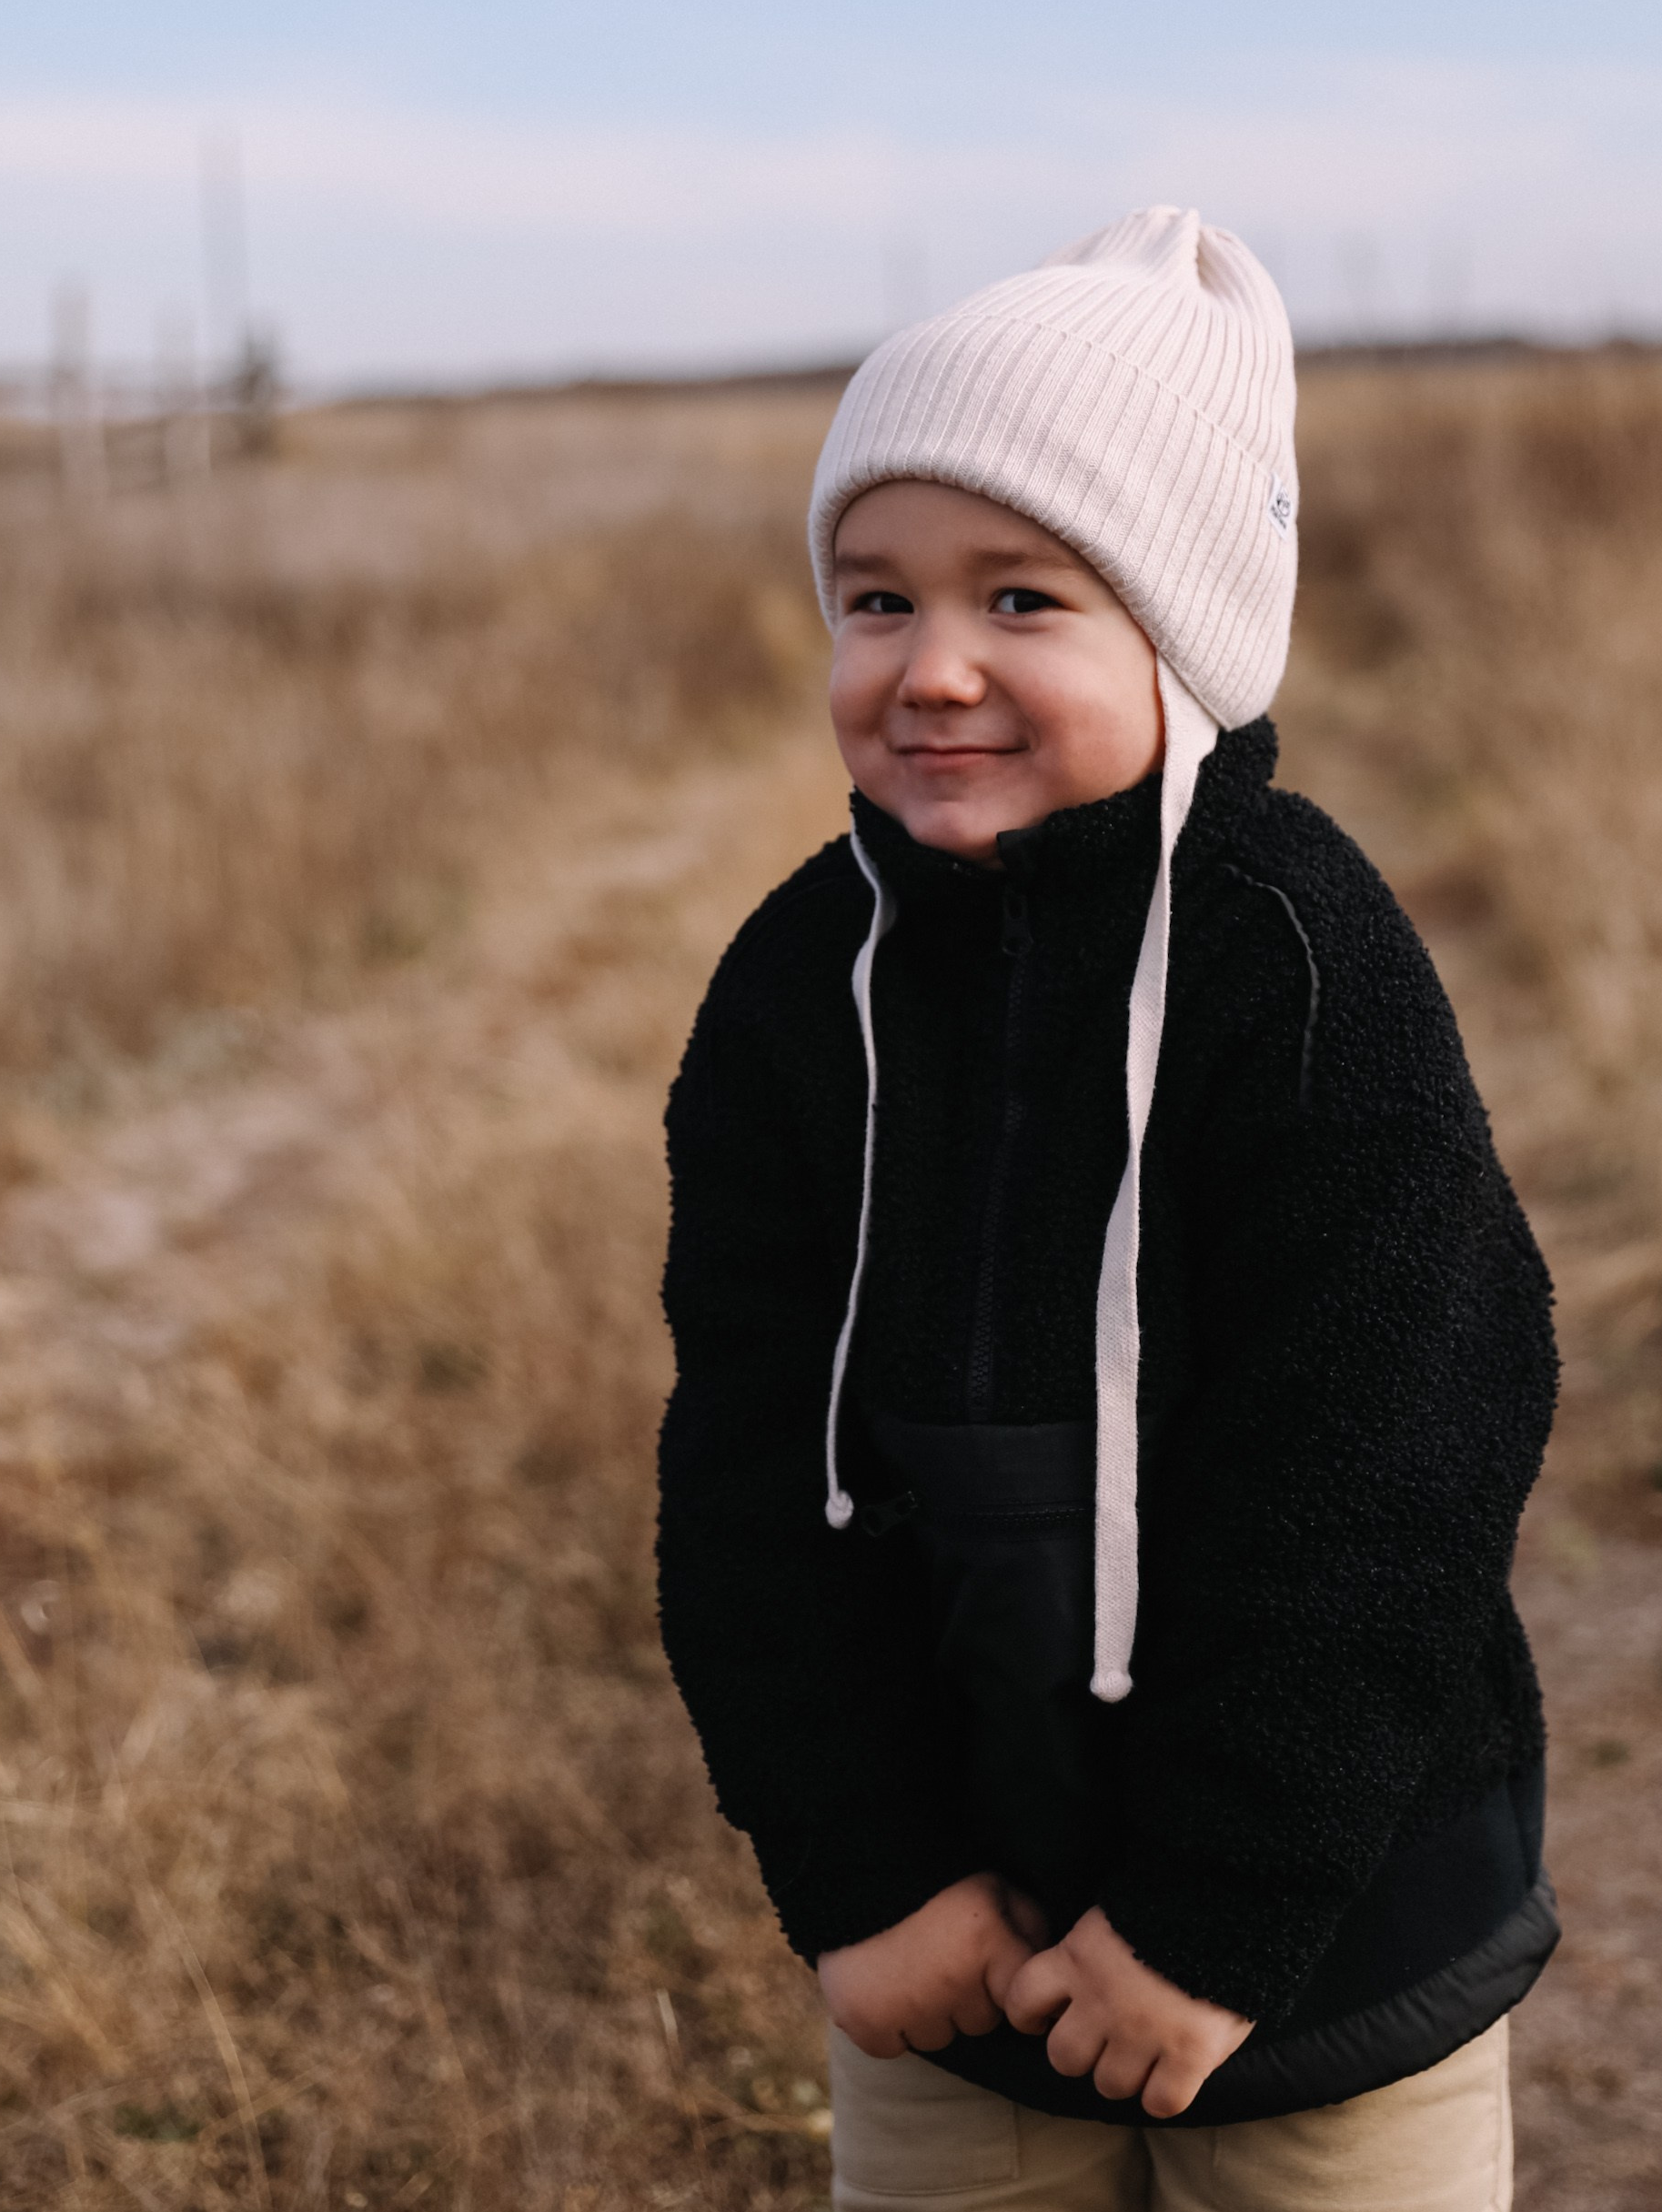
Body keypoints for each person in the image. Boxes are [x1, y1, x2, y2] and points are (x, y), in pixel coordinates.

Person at [658, 207, 1558, 2212]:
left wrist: (1217, 1917)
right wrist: (859, 1873)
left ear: (1186, 631)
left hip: (1324, 1949)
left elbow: (1395, 1475)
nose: (934, 667)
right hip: (954, 1949)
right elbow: (743, 1473)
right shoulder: (798, 991)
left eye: (1024, 597)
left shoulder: (1300, 969)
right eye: (876, 597)